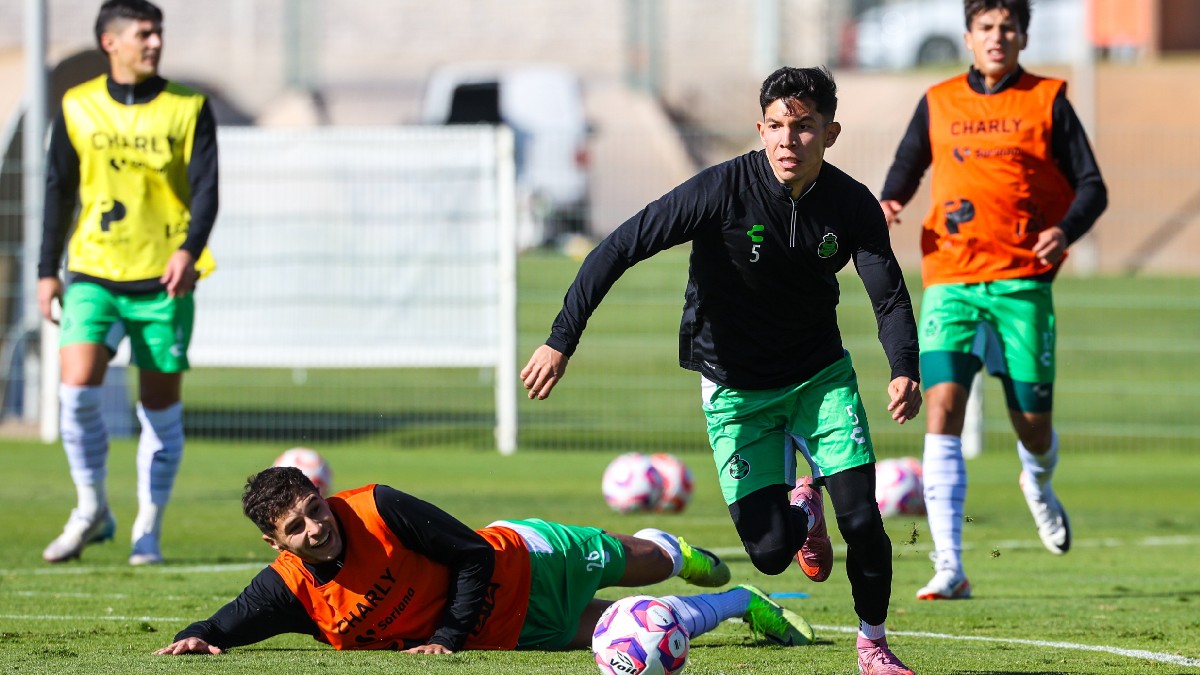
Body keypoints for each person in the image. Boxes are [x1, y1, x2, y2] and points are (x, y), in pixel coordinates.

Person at [521, 66, 923, 675]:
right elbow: (619, 246)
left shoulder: (851, 205)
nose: (789, 140)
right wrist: (560, 339)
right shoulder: (720, 191)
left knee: (864, 518)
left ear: (831, 132)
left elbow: (888, 296)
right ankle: (801, 512)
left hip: (820, 379)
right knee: (767, 553)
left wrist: (903, 369)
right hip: (735, 388)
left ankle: (873, 645)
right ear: (760, 129)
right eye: (778, 127)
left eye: (805, 127)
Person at [878, 0, 1107, 601]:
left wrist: (1066, 229)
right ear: (968, 36)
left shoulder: (1048, 99)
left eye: (1008, 27)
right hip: (950, 278)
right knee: (942, 406)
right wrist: (891, 200)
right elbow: (907, 164)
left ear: (1023, 36)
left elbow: (1092, 186)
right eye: (986, 27)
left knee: (1031, 425)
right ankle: (949, 565)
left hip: (1022, 282)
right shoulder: (938, 99)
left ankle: (1038, 479)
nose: (997, 37)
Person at [154, 466, 815, 655]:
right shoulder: (294, 592)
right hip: (516, 629)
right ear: (277, 542)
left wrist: (444, 638)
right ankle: (743, 605)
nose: (315, 527)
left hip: (529, 557)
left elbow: (470, 552)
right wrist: (202, 636)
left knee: (640, 564)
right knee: (640, 629)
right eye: (296, 527)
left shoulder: (378, 506)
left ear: (323, 496)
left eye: (315, 509)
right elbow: (237, 616)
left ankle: (671, 547)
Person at [38, 0, 219, 566]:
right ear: (109, 41)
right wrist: (47, 269)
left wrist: (189, 251)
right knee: (76, 389)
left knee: (159, 409)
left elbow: (208, 188)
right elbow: (58, 189)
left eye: (159, 33)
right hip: (92, 269)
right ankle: (91, 508)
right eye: (144, 34)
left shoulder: (188, 106)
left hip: (164, 277)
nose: (155, 43)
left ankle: (148, 528)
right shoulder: (77, 105)